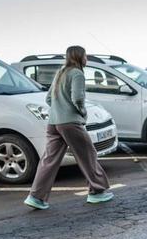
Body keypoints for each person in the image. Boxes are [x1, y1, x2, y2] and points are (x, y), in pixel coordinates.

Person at [24, 46, 113, 210]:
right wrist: (82, 113)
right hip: (70, 123)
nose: (87, 59)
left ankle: (36, 197)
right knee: (87, 155)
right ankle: (97, 192)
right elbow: (78, 98)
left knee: (49, 160)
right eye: (86, 56)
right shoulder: (77, 73)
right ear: (80, 57)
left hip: (53, 123)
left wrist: (59, 110)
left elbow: (49, 99)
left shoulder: (61, 72)